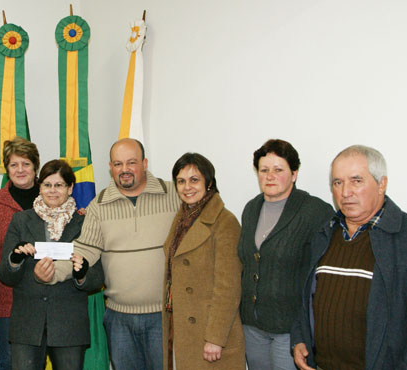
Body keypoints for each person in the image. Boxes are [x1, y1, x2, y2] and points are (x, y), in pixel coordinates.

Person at [50, 138, 180, 370]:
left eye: (131, 162)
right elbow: (84, 250)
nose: (125, 170)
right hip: (119, 319)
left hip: (166, 316)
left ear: (145, 163)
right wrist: (50, 272)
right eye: (118, 164)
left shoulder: (173, 194)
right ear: (110, 167)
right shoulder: (98, 206)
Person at [291, 145, 407, 370]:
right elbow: (303, 298)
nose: (345, 192)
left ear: (382, 184)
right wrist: (299, 337)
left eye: (356, 181)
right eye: (337, 182)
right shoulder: (323, 235)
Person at [0, 159, 104, 370]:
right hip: (27, 324)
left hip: (69, 325)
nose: (52, 191)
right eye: (47, 185)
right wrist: (16, 260)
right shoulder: (20, 220)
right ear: (40, 187)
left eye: (59, 185)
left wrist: (81, 274)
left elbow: (97, 278)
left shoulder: (85, 222)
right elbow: (5, 275)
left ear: (70, 188)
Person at [238, 139, 333, 369]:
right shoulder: (251, 209)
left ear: (294, 173)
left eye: (278, 170)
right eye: (264, 170)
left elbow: (323, 275)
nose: (270, 176)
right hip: (252, 326)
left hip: (290, 330)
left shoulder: (315, 211)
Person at [162, 153, 245, 369]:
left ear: (208, 182)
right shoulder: (182, 218)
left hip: (211, 334)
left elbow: (229, 287)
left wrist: (215, 338)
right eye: (181, 181)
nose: (187, 187)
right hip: (184, 328)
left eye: (194, 180)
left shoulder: (225, 221)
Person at [0, 137, 41, 370]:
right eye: (14, 164)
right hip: (7, 302)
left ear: (35, 166)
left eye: (26, 164)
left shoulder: (54, 198)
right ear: (7, 169)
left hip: (46, 299)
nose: (20, 170)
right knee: (10, 362)